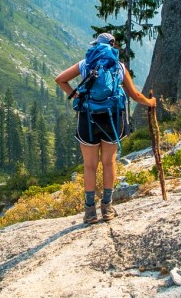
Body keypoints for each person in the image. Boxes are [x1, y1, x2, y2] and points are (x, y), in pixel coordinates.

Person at [55, 32, 156, 224]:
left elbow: (60, 79)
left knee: (90, 165)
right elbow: (134, 95)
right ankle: (107, 208)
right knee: (108, 163)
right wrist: (151, 103)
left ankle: (89, 212)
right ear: (112, 45)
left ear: (95, 46)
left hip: (88, 119)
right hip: (112, 119)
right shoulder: (118, 66)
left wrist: (77, 97)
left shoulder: (85, 64)